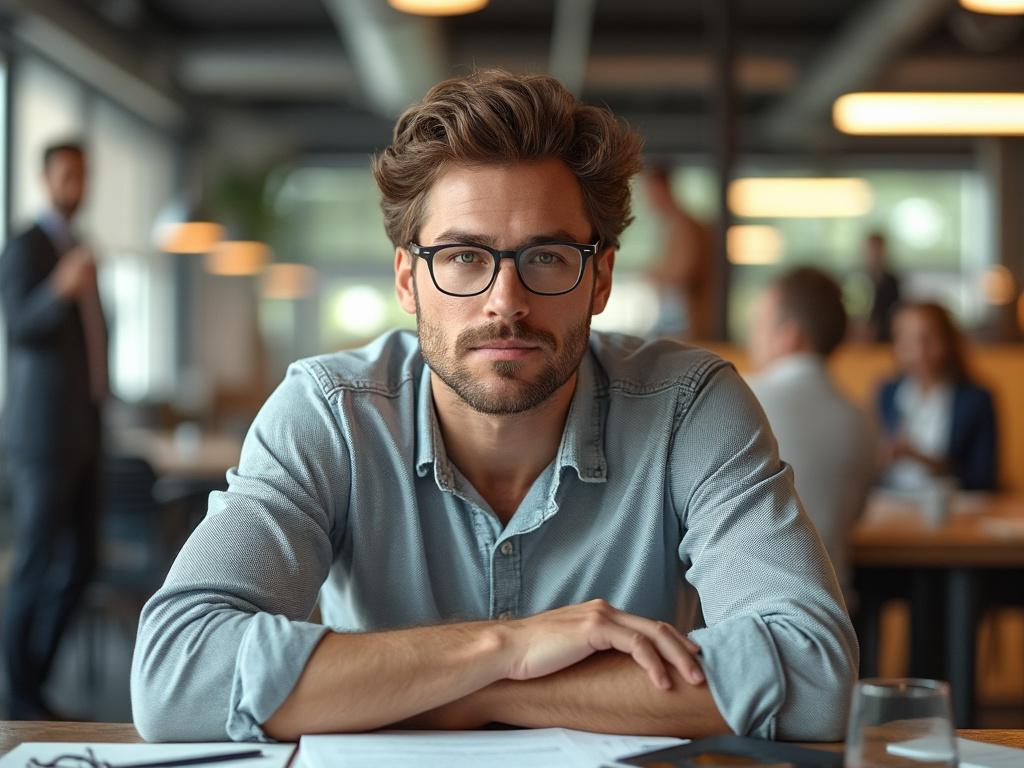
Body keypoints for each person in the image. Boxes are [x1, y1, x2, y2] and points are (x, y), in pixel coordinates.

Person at [131, 70, 856, 743]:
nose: (504, 303)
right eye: (464, 257)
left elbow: (815, 674)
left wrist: (468, 690)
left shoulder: (689, 406)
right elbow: (177, 674)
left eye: (545, 256)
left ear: (599, 278)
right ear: (408, 281)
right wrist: (506, 646)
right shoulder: (331, 411)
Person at [1, 140, 107, 719]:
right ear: (46, 179)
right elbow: (19, 326)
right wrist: (59, 289)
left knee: (86, 562)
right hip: (41, 436)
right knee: (36, 563)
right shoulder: (26, 246)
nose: (77, 185)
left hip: (86, 427)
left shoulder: (83, 246)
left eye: (83, 175)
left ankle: (32, 681)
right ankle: (18, 694)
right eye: (68, 175)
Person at [746, 267, 877, 599]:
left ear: (790, 335)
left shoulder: (739, 398)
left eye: (760, 323)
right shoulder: (861, 418)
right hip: (835, 619)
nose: (751, 334)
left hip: (745, 618)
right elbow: (858, 514)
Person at [877, 301, 997, 491]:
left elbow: (982, 479)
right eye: (905, 339)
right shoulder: (887, 393)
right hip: (891, 505)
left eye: (928, 338)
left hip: (954, 508)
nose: (918, 351)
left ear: (948, 340)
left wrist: (920, 457)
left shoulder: (976, 400)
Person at [643, 167, 713, 340]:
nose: (648, 199)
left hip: (688, 323)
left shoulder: (685, 226)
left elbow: (683, 273)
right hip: (677, 319)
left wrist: (653, 274)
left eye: (650, 191)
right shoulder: (671, 225)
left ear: (662, 189)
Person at [864, 232, 901, 343]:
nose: (874, 254)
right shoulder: (857, 279)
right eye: (871, 250)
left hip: (885, 338)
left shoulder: (892, 282)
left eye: (877, 249)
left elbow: (896, 310)